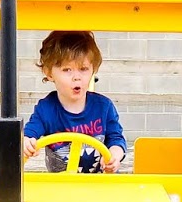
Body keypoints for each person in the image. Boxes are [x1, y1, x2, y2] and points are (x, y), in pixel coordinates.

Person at [20, 31, 126, 174]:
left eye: (83, 69)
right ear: (49, 73)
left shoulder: (104, 107)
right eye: (67, 70)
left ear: (93, 70)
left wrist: (115, 155)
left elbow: (116, 139)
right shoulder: (46, 109)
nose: (77, 77)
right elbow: (29, 134)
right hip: (62, 185)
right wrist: (27, 142)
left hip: (100, 183)